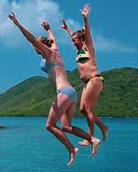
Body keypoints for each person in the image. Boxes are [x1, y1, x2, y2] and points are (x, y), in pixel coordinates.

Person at [8, 12, 100, 165]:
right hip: (71, 93)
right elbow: (53, 40)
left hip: (63, 92)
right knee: (66, 126)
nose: (34, 48)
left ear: (41, 46)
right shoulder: (55, 50)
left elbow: (31, 38)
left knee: (50, 125)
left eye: (35, 46)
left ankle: (72, 149)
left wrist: (17, 24)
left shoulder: (48, 53)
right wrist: (48, 29)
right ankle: (92, 139)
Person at [61, 4, 108, 146]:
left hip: (94, 79)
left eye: (74, 40)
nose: (72, 42)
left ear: (81, 40)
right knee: (82, 109)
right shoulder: (79, 50)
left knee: (87, 109)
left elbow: (87, 34)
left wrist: (85, 18)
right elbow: (74, 37)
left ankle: (90, 138)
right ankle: (104, 127)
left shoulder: (88, 47)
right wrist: (68, 29)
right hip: (87, 83)